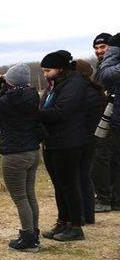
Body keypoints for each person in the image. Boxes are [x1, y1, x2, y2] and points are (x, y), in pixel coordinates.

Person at [0, 64, 42, 252]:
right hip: (32, 151)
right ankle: (33, 234)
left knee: (20, 198)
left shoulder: (11, 99)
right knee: (29, 195)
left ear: (10, 82)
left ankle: (28, 239)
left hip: (15, 154)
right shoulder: (31, 93)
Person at [39, 51, 89, 241]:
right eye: (43, 70)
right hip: (52, 141)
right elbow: (45, 107)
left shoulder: (74, 84)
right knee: (59, 185)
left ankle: (76, 226)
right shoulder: (54, 85)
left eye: (48, 70)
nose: (45, 74)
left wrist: (34, 115)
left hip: (68, 141)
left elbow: (62, 111)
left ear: (60, 69)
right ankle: (62, 222)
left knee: (69, 185)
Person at [75, 60, 106, 224]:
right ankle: (88, 213)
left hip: (83, 139)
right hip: (90, 139)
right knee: (85, 176)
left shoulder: (85, 93)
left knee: (81, 177)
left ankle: (82, 214)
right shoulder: (94, 91)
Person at [93, 32, 120, 212]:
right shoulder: (101, 65)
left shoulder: (110, 67)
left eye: (103, 47)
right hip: (106, 116)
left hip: (112, 116)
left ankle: (107, 198)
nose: (99, 51)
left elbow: (106, 80)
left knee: (105, 157)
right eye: (96, 48)